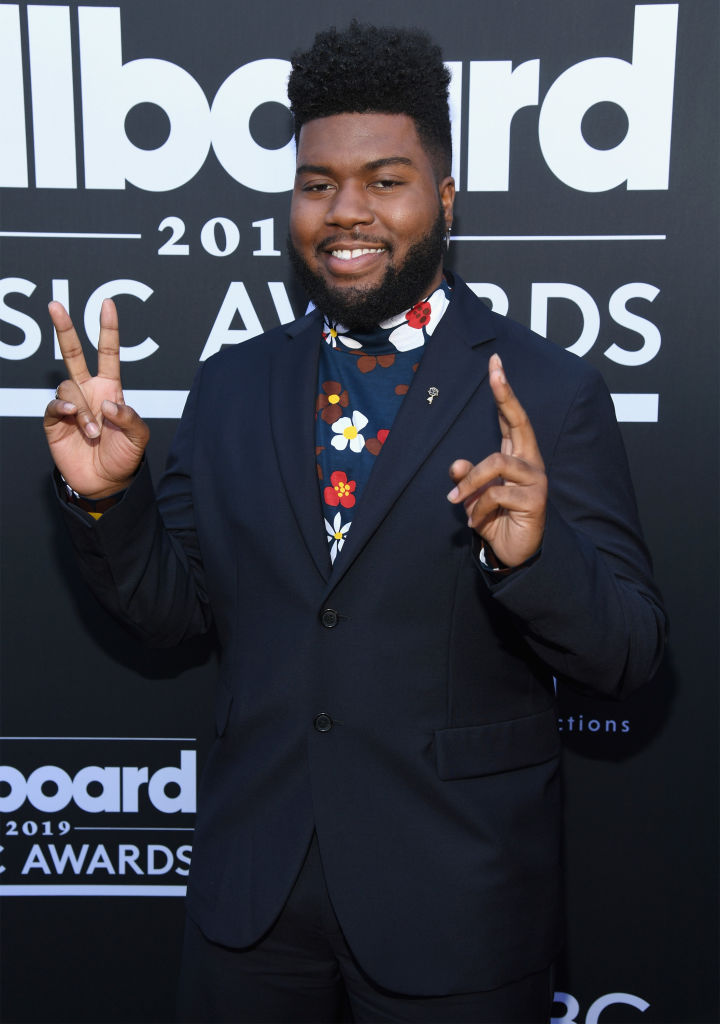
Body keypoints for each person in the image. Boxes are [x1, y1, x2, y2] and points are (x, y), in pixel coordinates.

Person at [43, 21, 665, 1024]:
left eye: (385, 180)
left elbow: (633, 656)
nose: (346, 212)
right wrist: (106, 497)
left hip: (456, 906)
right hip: (252, 904)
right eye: (318, 183)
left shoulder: (547, 388)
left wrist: (539, 555)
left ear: (445, 199)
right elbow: (172, 616)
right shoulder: (233, 383)